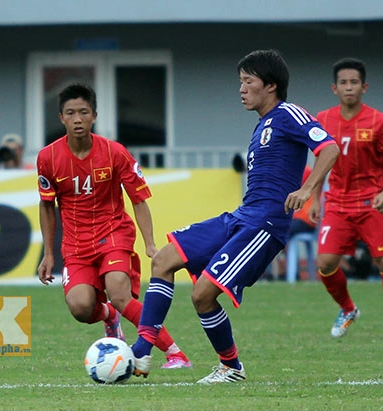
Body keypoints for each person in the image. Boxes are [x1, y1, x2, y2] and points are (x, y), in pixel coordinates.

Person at [131, 49, 340, 383]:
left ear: (270, 85)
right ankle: (142, 348)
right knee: (164, 260)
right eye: (240, 82)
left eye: (248, 81)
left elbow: (329, 147)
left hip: (264, 225)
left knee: (202, 294)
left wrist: (308, 189)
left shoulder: (289, 113)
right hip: (242, 217)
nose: (241, 89)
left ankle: (231, 368)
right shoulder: (263, 126)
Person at [36, 83, 191, 369]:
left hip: (113, 233)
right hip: (76, 243)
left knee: (119, 291)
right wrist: (48, 253)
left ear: (94, 115)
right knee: (81, 307)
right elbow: (47, 205)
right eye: (71, 113)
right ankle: (109, 316)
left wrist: (150, 243)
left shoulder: (114, 152)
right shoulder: (48, 158)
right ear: (61, 118)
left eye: (84, 112)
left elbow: (139, 199)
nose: (77, 118)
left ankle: (174, 352)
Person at [311, 57, 383, 339]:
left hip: (370, 204)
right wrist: (315, 199)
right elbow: (319, 160)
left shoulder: (380, 121)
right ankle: (348, 308)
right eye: (343, 83)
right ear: (334, 88)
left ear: (364, 87)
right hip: (337, 205)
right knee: (326, 264)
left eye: (354, 82)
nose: (349, 87)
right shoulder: (323, 119)